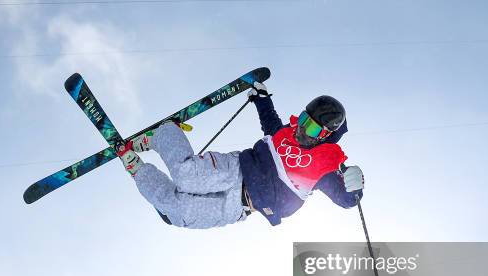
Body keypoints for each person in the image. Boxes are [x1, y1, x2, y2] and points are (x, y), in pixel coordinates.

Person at [114, 82, 364, 229]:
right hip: (237, 170)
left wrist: (355, 187)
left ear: (323, 135)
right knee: (186, 176)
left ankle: (137, 169)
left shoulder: (324, 167)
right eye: (303, 119)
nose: (301, 128)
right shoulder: (285, 133)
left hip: (242, 207)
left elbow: (346, 199)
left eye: (310, 127)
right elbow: (270, 122)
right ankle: (163, 134)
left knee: (177, 214)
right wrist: (262, 99)